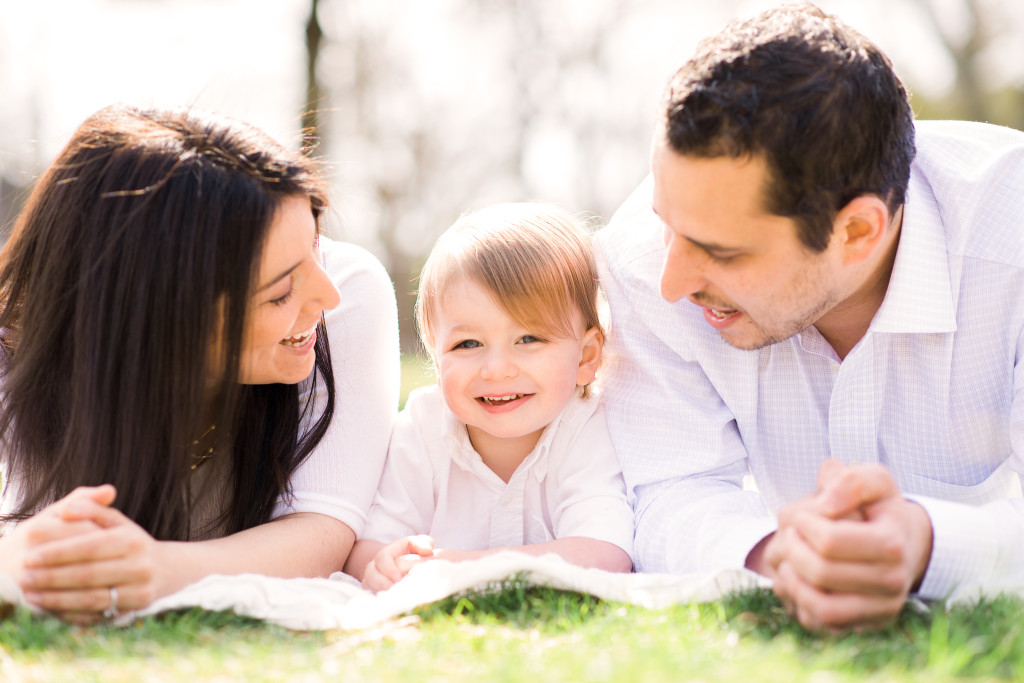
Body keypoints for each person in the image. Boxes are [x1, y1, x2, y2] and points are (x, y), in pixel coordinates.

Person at [595, 3, 1024, 631]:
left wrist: (927, 545)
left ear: (856, 231)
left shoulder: (1009, 234)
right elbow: (668, 489)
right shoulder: (635, 261)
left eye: (722, 253)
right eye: (666, 226)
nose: (672, 283)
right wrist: (776, 555)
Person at [0, 104, 400, 622]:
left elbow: (323, 527)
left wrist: (161, 570)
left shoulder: (350, 289)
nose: (327, 296)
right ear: (160, 317)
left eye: (316, 246)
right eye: (280, 294)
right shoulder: (17, 353)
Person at [345, 203, 634, 592]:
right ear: (436, 355)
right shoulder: (422, 427)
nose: (496, 369)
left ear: (586, 357)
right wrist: (384, 565)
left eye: (528, 339)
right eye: (467, 343)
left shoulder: (589, 426)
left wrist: (459, 568)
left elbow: (604, 554)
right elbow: (371, 545)